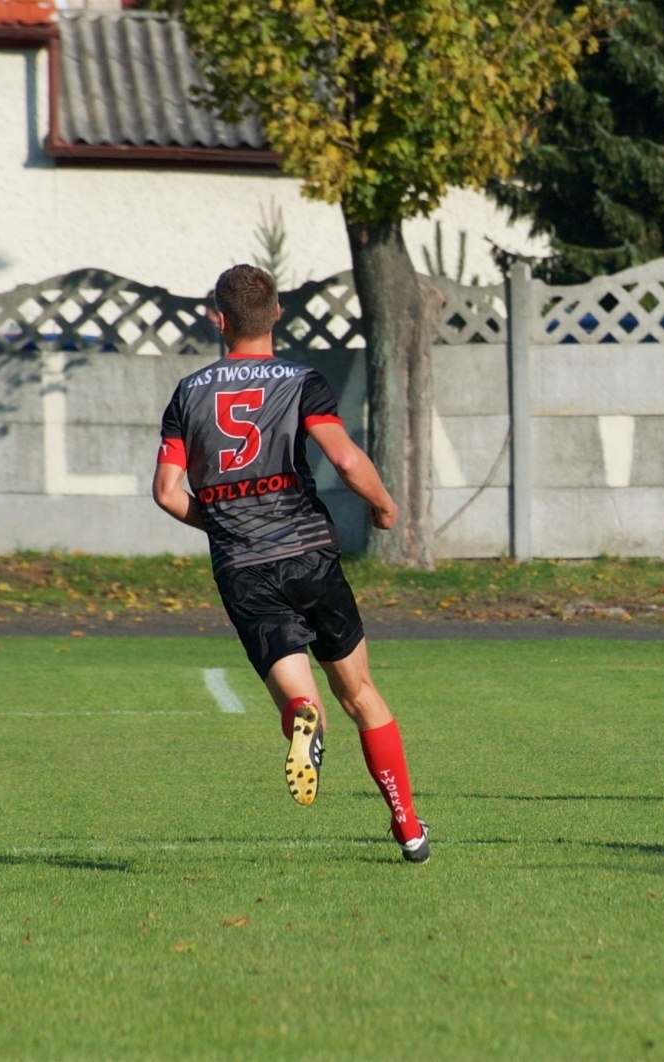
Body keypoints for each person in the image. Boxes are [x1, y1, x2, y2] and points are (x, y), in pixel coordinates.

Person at [152, 264, 429, 863]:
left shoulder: (188, 392)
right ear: (277, 313)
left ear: (216, 320)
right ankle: (407, 827)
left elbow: (168, 492)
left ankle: (303, 721)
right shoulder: (302, 380)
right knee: (361, 695)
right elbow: (349, 462)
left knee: (305, 703)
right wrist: (383, 507)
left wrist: (222, 523)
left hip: (244, 571)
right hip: (309, 556)